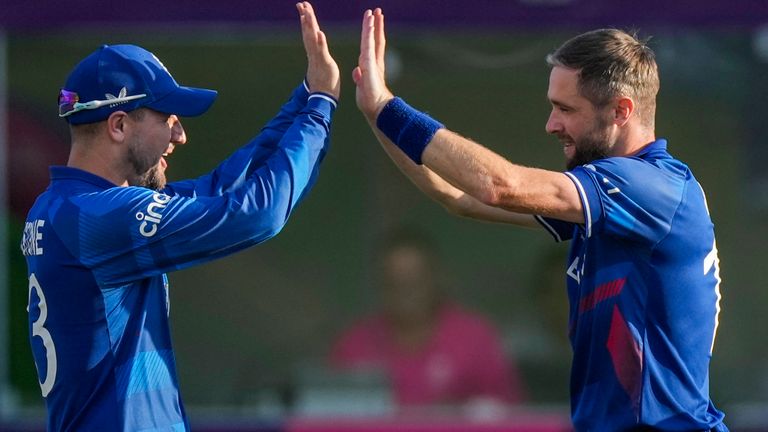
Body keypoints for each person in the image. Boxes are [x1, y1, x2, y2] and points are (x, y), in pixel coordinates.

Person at [353, 8, 727, 431]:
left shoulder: (652, 188)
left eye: (566, 109)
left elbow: (498, 184)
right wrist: (375, 113)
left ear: (621, 111)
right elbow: (460, 197)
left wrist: (389, 106)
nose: (551, 125)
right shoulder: (610, 201)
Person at [19, 2, 339, 430]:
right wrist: (319, 111)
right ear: (118, 125)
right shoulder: (103, 216)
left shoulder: (64, 205)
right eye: (168, 118)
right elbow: (255, 215)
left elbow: (218, 188)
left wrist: (306, 96)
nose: (180, 134)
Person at [329, 228, 525, 409]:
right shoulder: (355, 344)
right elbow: (330, 414)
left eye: (415, 280)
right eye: (394, 281)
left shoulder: (475, 337)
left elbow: (508, 412)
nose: (405, 291)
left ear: (437, 277)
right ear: (379, 284)